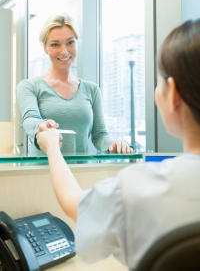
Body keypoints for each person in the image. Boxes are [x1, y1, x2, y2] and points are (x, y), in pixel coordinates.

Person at [36, 18, 200, 269]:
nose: (64, 50)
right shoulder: (33, 86)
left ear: (173, 94)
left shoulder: (138, 188)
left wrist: (51, 147)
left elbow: (74, 203)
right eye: (55, 44)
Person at [17, 14, 133, 156]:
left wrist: (113, 143)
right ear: (45, 48)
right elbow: (30, 119)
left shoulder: (92, 90)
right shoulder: (29, 86)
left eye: (70, 42)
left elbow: (100, 135)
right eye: (55, 44)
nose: (64, 51)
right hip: (39, 176)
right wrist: (40, 126)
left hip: (79, 174)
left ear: (77, 42)